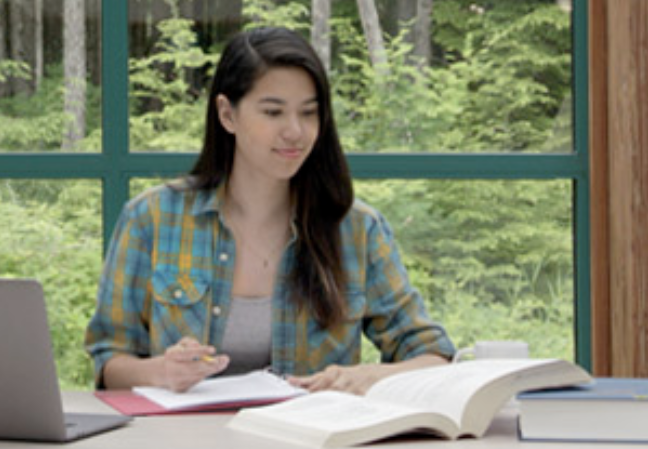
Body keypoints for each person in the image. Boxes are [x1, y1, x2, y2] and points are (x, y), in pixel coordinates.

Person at [85, 26, 454, 395]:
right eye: (273, 112)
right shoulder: (152, 218)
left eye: (309, 113)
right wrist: (160, 372)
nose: (295, 131)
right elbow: (110, 358)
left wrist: (368, 376)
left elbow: (433, 354)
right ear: (227, 114)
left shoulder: (357, 229)